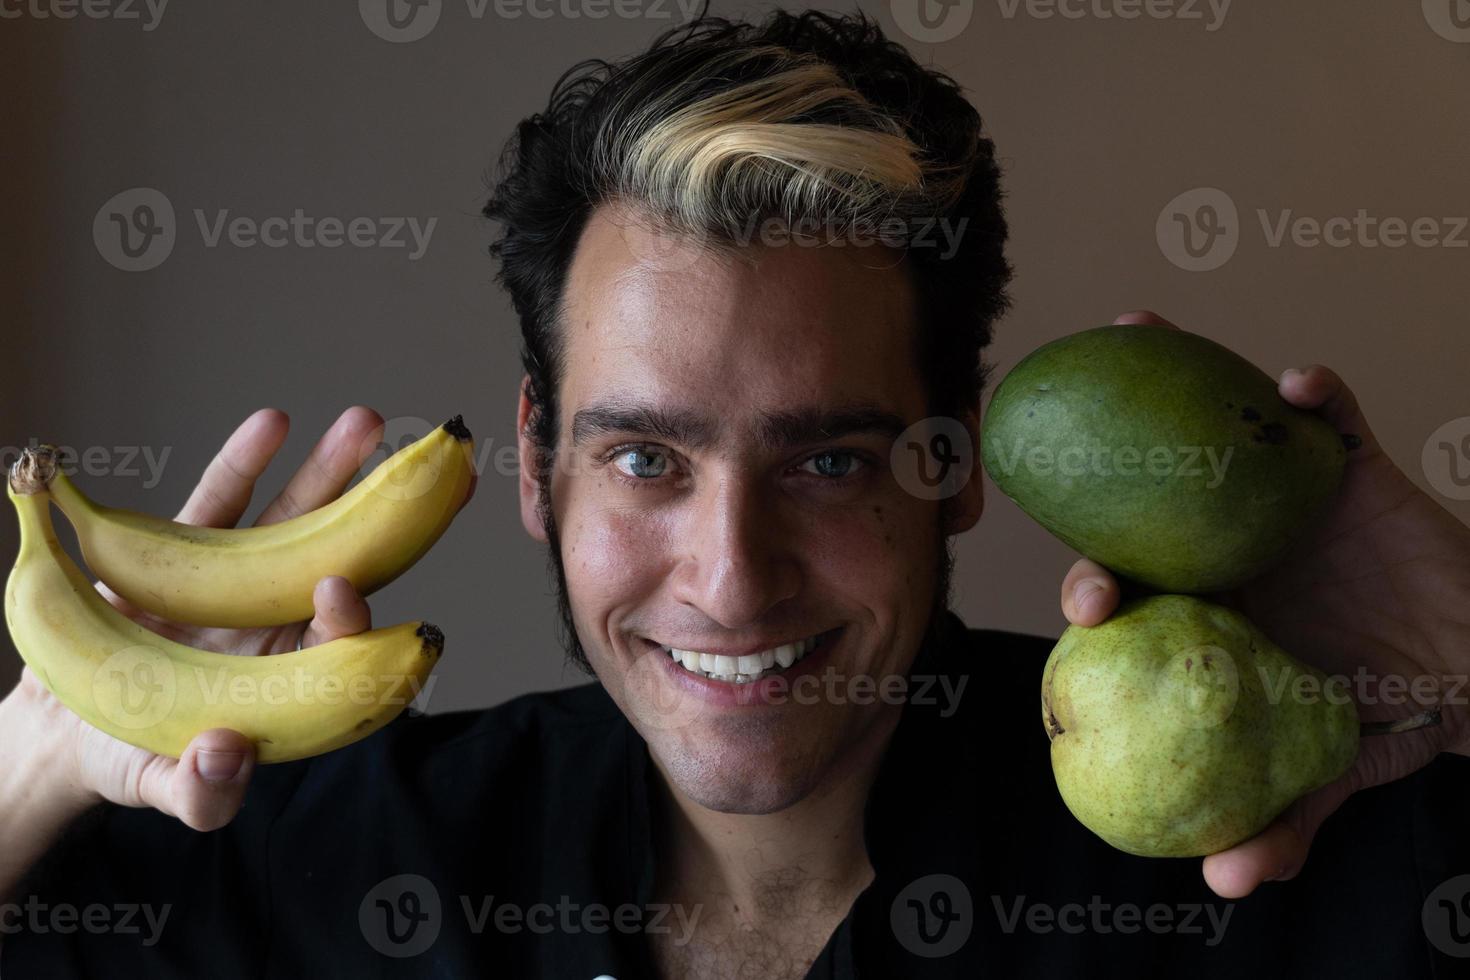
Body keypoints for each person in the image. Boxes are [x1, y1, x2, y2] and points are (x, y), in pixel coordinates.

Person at [3, 7, 1467, 978]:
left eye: (826, 459)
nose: (730, 575)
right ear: (535, 464)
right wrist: (23, 785)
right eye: (645, 457)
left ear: (951, 464)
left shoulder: (1284, 843)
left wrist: (1464, 654)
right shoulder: (323, 863)